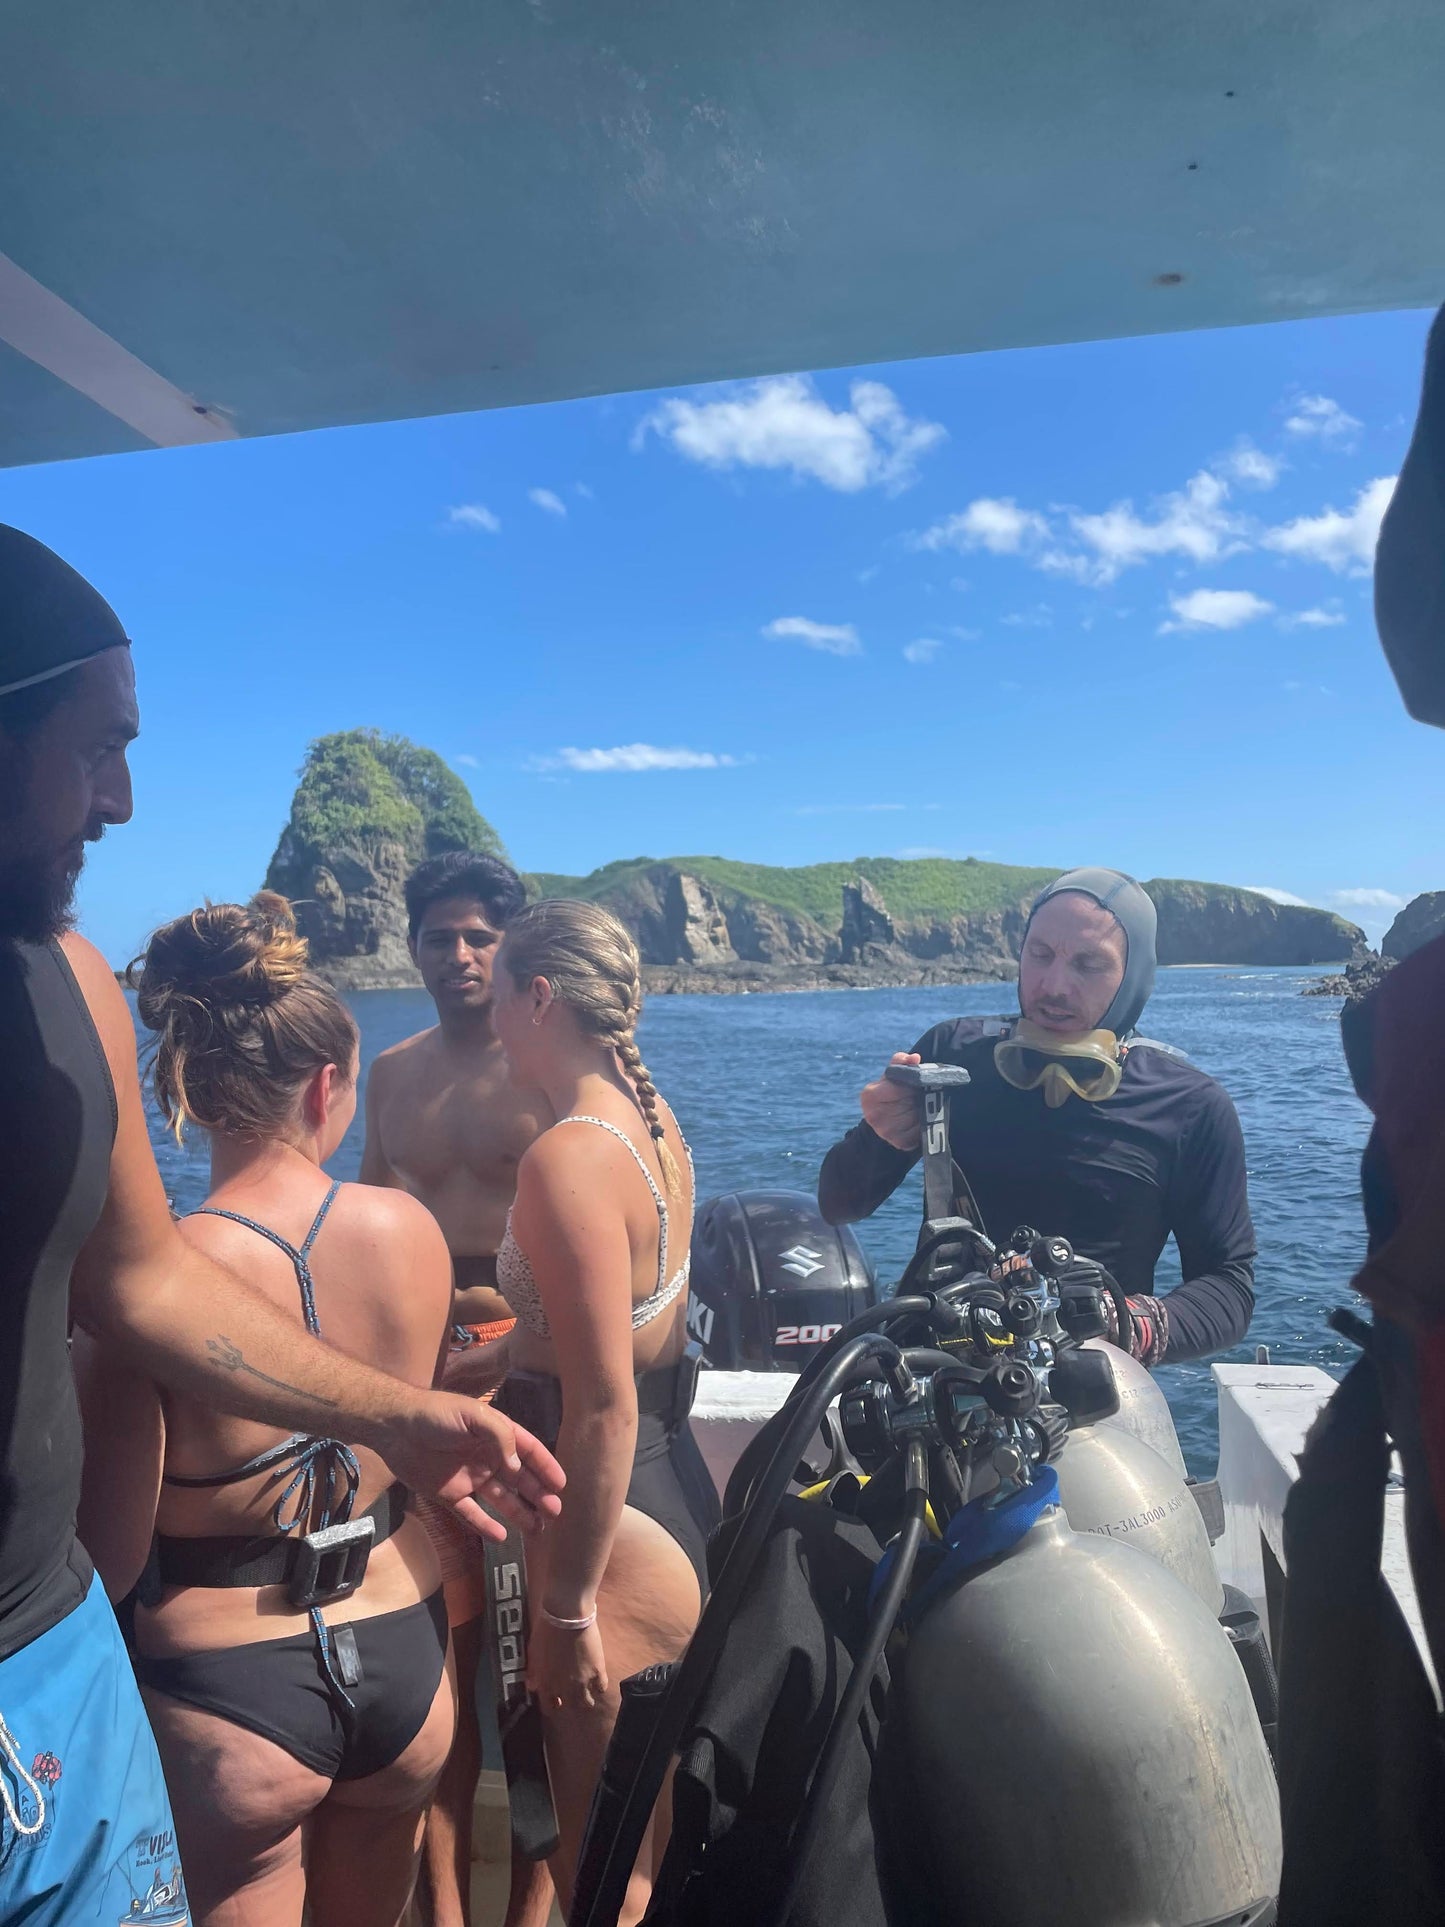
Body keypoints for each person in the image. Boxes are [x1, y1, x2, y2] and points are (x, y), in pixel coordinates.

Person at [0, 524, 563, 1925]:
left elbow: (143, 1286)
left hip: (71, 1660)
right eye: (98, 745)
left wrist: (412, 1417)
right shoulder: (401, 1216)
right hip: (370, 1651)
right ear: (334, 1079)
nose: (122, 799)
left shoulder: (65, 983)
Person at [74, 893, 462, 1924]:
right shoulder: (409, 1232)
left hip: (230, 1685)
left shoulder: (154, 1283)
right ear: (329, 1085)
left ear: (188, 1093)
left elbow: (110, 1551)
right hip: (401, 1656)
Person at [488, 899, 721, 1925]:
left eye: (498, 992)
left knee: (603, 1872)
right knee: (643, 1849)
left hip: (605, 1531)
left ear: (538, 996)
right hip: (670, 1498)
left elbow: (600, 1408)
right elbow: (632, 1332)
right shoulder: (653, 1126)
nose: (489, 1016)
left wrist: (566, 1607)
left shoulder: (568, 1156)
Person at [818, 867, 1256, 1365]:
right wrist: (879, 1141)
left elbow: (1229, 1287)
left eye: (1089, 964)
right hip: (932, 1371)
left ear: (1134, 977)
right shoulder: (952, 1057)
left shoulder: (1191, 1106)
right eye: (1040, 955)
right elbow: (837, 1206)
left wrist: (1128, 1322)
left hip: (1086, 1389)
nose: (1054, 986)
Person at [362, 850, 554, 1927]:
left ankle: (530, 1903)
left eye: (480, 935)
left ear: (513, 946)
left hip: (523, 1383)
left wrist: (520, 1347)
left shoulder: (549, 1076)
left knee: (533, 1664)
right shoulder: (390, 1073)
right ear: (415, 947)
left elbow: (613, 1247)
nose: (461, 954)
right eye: (440, 936)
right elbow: (356, 1226)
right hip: (419, 1383)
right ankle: (440, 1905)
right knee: (440, 1657)